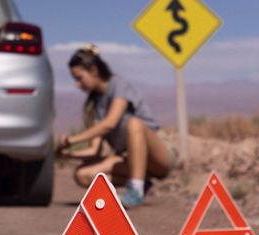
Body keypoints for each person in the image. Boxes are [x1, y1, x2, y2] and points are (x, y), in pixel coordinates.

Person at [56, 45, 173, 207]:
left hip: (158, 155)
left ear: (94, 71)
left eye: (79, 78)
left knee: (134, 124)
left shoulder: (119, 85)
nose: (77, 84)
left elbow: (109, 124)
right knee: (82, 174)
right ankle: (142, 182)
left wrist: (71, 140)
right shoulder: (94, 104)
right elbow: (94, 150)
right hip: (127, 159)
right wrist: (67, 155)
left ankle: (135, 190)